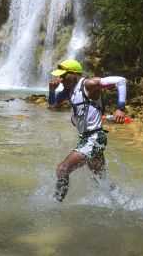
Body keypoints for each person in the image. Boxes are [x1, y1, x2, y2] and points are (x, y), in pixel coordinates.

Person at [48, 59, 127, 202]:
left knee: (62, 169)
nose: (60, 79)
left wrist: (120, 108)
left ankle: (55, 204)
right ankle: (123, 202)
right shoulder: (68, 91)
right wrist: (52, 91)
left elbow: (121, 81)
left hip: (95, 137)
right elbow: (53, 106)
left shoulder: (89, 84)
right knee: (101, 180)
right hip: (87, 138)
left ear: (74, 74)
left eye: (63, 75)